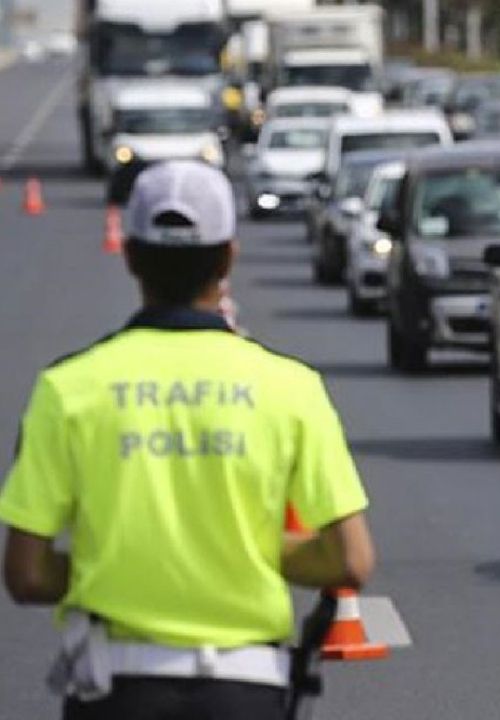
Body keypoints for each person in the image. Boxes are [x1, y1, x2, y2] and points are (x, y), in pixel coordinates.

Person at [0, 161, 375, 719]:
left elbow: (26, 573)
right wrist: (237, 551)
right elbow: (350, 560)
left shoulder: (68, 389)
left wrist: (125, 561)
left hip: (117, 687)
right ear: (228, 257)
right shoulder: (290, 387)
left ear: (129, 255)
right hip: (246, 688)